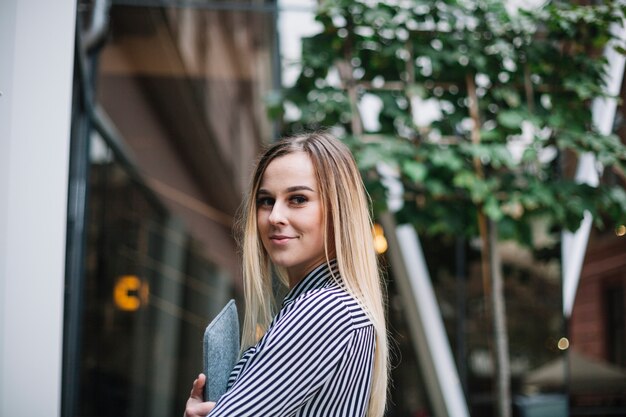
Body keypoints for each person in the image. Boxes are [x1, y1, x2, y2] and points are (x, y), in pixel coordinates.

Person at [184, 131, 389, 417]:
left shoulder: (324, 310)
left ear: (338, 210)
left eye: (297, 199)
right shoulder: (334, 307)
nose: (275, 216)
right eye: (266, 201)